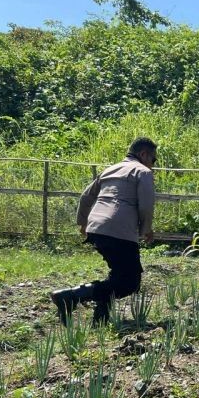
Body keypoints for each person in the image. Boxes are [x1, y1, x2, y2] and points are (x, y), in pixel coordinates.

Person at [51, 137, 157, 326]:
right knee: (130, 283)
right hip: (119, 230)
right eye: (153, 160)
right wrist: (146, 228)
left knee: (117, 275)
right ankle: (71, 296)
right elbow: (146, 205)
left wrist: (83, 223)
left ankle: (100, 320)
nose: (153, 165)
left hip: (97, 227)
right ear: (143, 155)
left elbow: (86, 196)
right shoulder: (143, 172)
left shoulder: (111, 169)